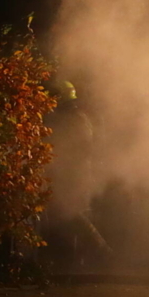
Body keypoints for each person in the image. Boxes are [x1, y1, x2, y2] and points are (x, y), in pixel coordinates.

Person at [43, 80, 112, 265]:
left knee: (71, 212)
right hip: (73, 173)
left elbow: (80, 147)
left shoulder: (74, 119)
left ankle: (103, 251)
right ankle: (73, 260)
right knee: (68, 213)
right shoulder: (75, 118)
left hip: (74, 174)